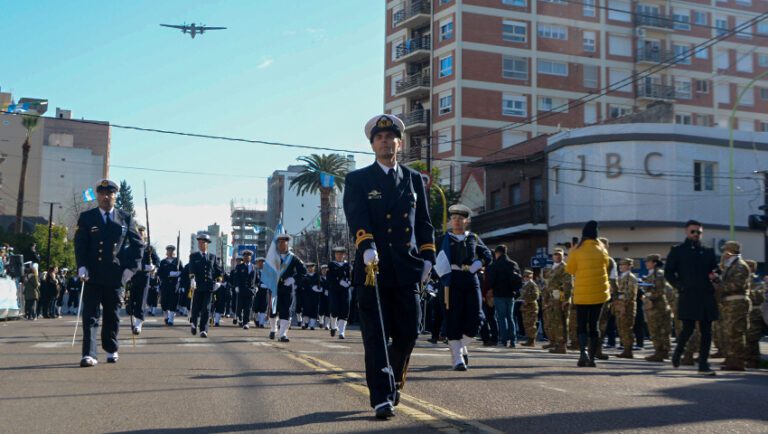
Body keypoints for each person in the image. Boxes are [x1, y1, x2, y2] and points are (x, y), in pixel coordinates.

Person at [343, 113, 435, 420]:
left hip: (407, 269)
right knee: (376, 335)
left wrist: (428, 257)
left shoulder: (413, 179)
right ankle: (382, 396)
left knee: (409, 332)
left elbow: (423, 222)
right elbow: (356, 216)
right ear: (372, 145)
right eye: (379, 138)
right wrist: (366, 246)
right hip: (373, 268)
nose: (385, 141)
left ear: (400, 142)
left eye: (390, 137)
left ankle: (394, 380)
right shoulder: (358, 180)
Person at [74, 179, 144, 367]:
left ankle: (111, 348)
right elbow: (80, 244)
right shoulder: (87, 217)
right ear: (97, 196)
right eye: (102, 194)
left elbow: (139, 244)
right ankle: (89, 354)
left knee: (112, 316)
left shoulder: (125, 218)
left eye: (110, 194)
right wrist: (81, 265)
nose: (106, 197)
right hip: (92, 274)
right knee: (90, 316)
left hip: (115, 275)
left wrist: (132, 268)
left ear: (115, 196)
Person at [433, 204, 492, 370]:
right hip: (451, 281)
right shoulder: (443, 239)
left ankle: (460, 345)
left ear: (466, 221)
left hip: (470, 278)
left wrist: (479, 263)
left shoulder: (472, 237)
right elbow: (431, 256)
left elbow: (487, 254)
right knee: (453, 317)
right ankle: (457, 358)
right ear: (450, 221)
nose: (457, 221)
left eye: (460, 219)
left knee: (476, 317)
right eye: (454, 219)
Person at [665, 220, 719, 375]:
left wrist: (716, 276)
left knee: (707, 331)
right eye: (693, 232)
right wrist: (680, 286)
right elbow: (669, 272)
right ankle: (677, 353)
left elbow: (714, 269)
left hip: (706, 294)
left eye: (699, 232)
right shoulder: (678, 250)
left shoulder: (708, 251)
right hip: (688, 294)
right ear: (686, 232)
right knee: (687, 329)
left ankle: (703, 364)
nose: (696, 234)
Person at [565, 220, 611, 367]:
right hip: (599, 293)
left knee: (581, 324)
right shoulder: (602, 249)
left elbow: (570, 270)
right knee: (594, 325)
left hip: (582, 293)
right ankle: (592, 358)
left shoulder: (577, 250)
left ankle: (582, 353)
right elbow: (607, 266)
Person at [713, 241, 751, 371]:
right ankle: (731, 359)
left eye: (725, 251)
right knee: (728, 332)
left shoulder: (740, 266)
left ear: (730, 251)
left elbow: (736, 285)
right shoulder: (731, 266)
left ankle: (738, 361)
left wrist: (719, 286)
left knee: (735, 332)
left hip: (736, 303)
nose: (724, 253)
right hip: (729, 303)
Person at [266, 234, 306, 342]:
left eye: (283, 242)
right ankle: (273, 329)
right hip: (274, 288)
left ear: (287, 243)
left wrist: (293, 279)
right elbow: (267, 271)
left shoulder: (293, 258)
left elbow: (303, 272)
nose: (281, 244)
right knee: (273, 311)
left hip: (287, 288)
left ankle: (282, 334)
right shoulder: (273, 257)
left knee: (286, 310)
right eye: (279, 242)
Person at [486, 245, 522, 348]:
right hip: (511, 295)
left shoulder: (495, 265)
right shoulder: (513, 264)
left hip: (499, 294)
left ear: (498, 253)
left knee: (501, 318)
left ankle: (504, 340)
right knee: (510, 317)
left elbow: (491, 281)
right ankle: (513, 341)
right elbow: (518, 280)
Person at [188, 233, 223, 338]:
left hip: (209, 287)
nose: (200, 244)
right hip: (197, 287)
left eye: (202, 242)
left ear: (207, 244)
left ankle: (203, 329)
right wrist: (192, 279)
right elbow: (191, 269)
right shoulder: (194, 256)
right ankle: (194, 323)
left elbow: (219, 271)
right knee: (195, 308)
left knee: (206, 309)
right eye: (199, 242)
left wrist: (218, 282)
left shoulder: (212, 257)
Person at [128, 226, 159, 335]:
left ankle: (138, 324)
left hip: (144, 278)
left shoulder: (149, 248)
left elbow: (157, 261)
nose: (141, 234)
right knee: (132, 300)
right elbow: (128, 260)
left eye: (142, 232)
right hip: (133, 276)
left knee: (141, 300)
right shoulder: (133, 246)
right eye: (139, 232)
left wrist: (153, 267)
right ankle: (135, 319)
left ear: (145, 235)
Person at [642, 254, 672, 362]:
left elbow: (660, 291)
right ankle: (660, 351)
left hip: (658, 306)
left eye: (648, 261)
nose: (646, 263)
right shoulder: (651, 274)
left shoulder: (658, 274)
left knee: (660, 330)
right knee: (654, 330)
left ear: (654, 263)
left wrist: (649, 296)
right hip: (652, 306)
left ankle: (661, 352)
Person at [544, 248, 571, 354]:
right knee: (552, 321)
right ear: (552, 256)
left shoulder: (565, 267)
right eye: (555, 254)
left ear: (563, 256)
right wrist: (546, 299)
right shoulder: (552, 268)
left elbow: (568, 284)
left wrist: (565, 299)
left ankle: (561, 345)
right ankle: (554, 341)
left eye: (560, 255)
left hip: (559, 296)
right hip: (552, 297)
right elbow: (548, 285)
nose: (557, 256)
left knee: (560, 321)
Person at [614, 258, 638, 358]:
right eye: (620, 265)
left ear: (629, 266)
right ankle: (625, 349)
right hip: (620, 306)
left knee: (626, 328)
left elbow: (631, 294)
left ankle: (628, 350)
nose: (620, 267)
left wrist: (623, 305)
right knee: (621, 328)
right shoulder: (621, 277)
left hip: (627, 306)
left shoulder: (630, 278)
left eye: (623, 265)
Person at [327, 246, 352, 338]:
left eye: (341, 254)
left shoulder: (348, 265)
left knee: (345, 309)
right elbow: (330, 277)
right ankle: (333, 326)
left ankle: (342, 332)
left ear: (344, 255)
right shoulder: (331, 265)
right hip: (335, 290)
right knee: (334, 309)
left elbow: (351, 276)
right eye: (337, 254)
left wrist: (349, 282)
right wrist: (339, 281)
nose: (339, 256)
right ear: (335, 255)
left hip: (345, 290)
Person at [744, 260, 764, 369]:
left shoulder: (756, 280)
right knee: (748, 336)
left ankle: (754, 360)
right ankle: (748, 358)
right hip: (748, 311)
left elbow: (759, 298)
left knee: (752, 337)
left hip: (755, 312)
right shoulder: (747, 279)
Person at [157, 245, 184, 326]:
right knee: (164, 303)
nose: (170, 252)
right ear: (167, 252)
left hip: (174, 285)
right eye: (169, 250)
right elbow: (159, 273)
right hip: (165, 284)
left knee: (173, 302)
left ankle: (171, 320)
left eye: (172, 250)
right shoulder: (163, 262)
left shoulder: (178, 261)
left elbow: (182, 272)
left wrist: (178, 274)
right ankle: (166, 317)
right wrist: (168, 274)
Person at [233, 250, 257, 330]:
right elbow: (236, 278)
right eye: (245, 256)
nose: (246, 257)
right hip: (241, 289)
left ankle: (246, 322)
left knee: (248, 307)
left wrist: (257, 287)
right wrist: (236, 286)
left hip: (250, 290)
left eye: (248, 256)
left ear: (251, 257)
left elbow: (257, 278)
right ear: (243, 257)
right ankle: (240, 318)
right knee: (239, 307)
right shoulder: (239, 267)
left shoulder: (254, 267)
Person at [520, 269, 540, 347]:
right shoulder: (525, 284)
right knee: (527, 324)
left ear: (531, 277)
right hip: (525, 307)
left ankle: (532, 341)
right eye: (524, 276)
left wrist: (527, 300)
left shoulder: (532, 284)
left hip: (531, 307)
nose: (526, 278)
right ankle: (529, 339)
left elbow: (535, 295)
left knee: (531, 324)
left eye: (528, 276)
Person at [299, 263, 321, 330]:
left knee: (314, 309)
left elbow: (320, 284)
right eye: (308, 267)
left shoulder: (317, 276)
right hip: (306, 295)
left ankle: (312, 324)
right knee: (306, 309)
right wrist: (310, 287)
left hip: (315, 296)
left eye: (311, 267)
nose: (310, 269)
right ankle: (305, 323)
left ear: (314, 268)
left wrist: (318, 288)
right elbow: (302, 285)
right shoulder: (305, 276)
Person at [252, 257, 269, 328]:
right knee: (256, 307)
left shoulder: (267, 271)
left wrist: (267, 285)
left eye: (262, 262)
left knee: (263, 306)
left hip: (265, 291)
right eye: (259, 262)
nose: (261, 263)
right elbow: (253, 280)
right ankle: (257, 319)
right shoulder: (255, 271)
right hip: (257, 290)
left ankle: (262, 323)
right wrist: (257, 285)